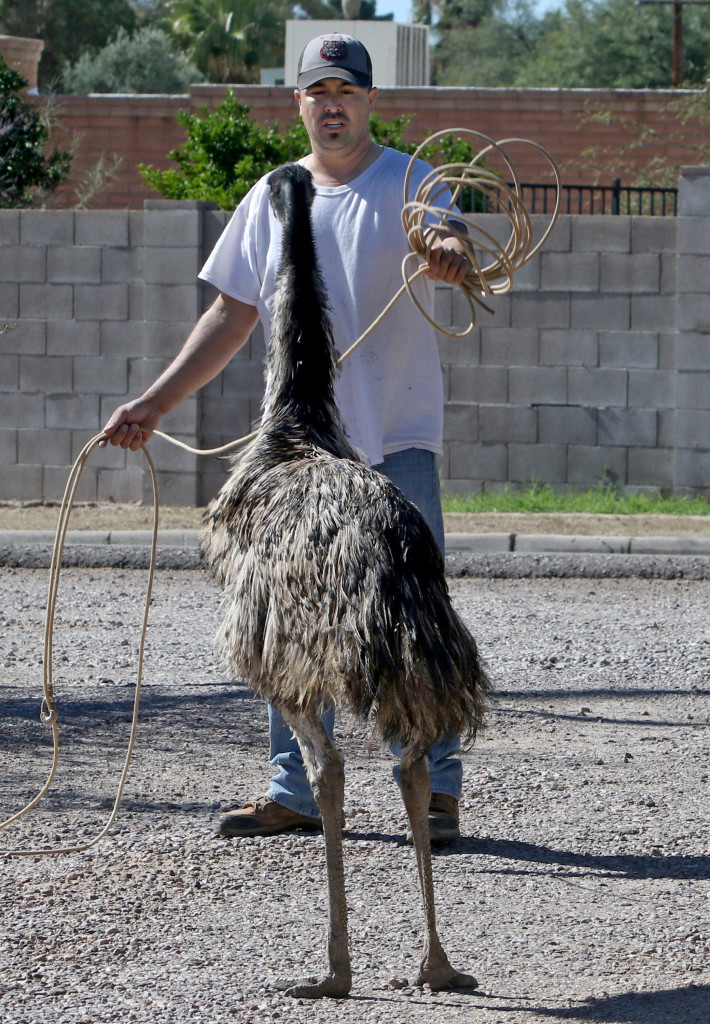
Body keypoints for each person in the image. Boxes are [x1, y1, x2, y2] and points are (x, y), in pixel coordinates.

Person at [103, 32, 474, 844]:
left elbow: (450, 240)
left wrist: (449, 251)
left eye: (346, 90)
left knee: (414, 609)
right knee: (285, 605)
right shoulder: (272, 196)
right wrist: (155, 404)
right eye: (318, 91)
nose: (332, 104)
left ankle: (433, 786)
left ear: (370, 101)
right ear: (298, 102)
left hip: (396, 437)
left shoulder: (413, 180)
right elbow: (232, 313)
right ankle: (295, 787)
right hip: (299, 451)